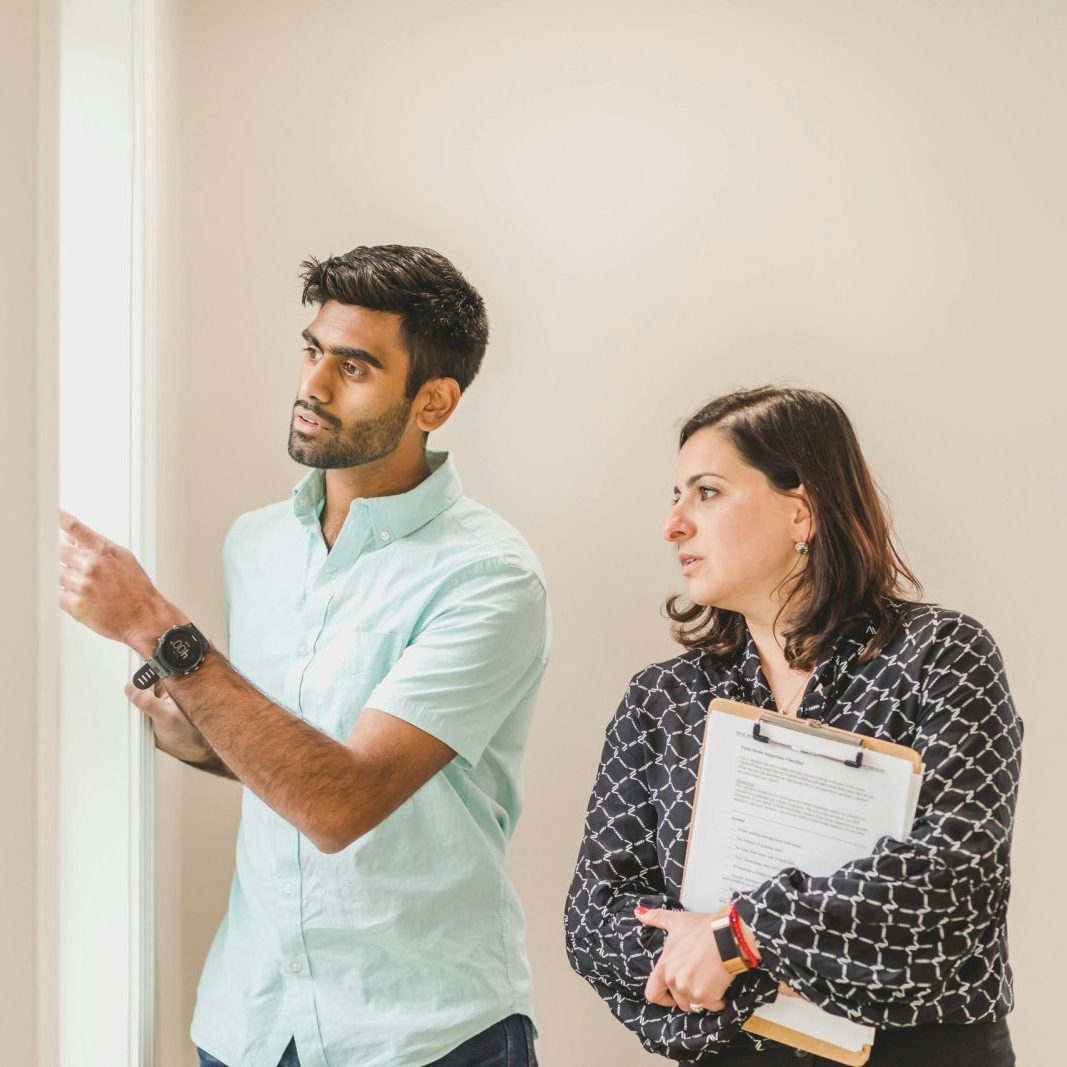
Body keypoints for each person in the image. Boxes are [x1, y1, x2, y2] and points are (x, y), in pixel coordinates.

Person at [58, 245, 548, 1067]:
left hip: (423, 1036)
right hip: (252, 1023)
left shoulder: (489, 578)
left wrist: (151, 622)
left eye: (352, 366)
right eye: (312, 350)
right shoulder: (256, 544)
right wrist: (205, 744)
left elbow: (342, 802)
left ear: (433, 399)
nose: (312, 385)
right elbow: (300, 754)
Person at [564, 386, 1019, 1065]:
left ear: (801, 512)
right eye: (675, 496)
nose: (673, 525)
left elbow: (955, 880)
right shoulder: (663, 698)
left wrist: (740, 938)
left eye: (707, 493)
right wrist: (732, 964)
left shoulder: (941, 655)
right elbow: (594, 918)